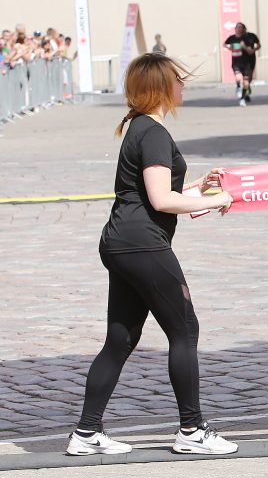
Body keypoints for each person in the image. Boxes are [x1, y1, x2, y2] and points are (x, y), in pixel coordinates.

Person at [66, 53, 237, 456]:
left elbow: (148, 191)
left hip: (122, 242)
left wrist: (198, 187)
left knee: (120, 339)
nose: (183, 87)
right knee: (185, 331)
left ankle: (86, 434)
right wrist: (220, 199)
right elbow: (160, 200)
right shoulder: (154, 132)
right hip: (142, 243)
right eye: (178, 80)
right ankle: (192, 431)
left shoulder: (140, 129)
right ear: (162, 87)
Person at [223, 22, 261, 106]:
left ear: (244, 29)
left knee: (248, 79)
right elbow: (225, 44)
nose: (240, 30)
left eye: (241, 28)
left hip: (249, 60)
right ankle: (242, 91)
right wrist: (231, 48)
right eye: (238, 28)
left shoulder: (250, 37)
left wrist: (251, 49)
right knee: (240, 78)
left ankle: (245, 93)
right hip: (238, 61)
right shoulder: (233, 38)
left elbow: (255, 47)